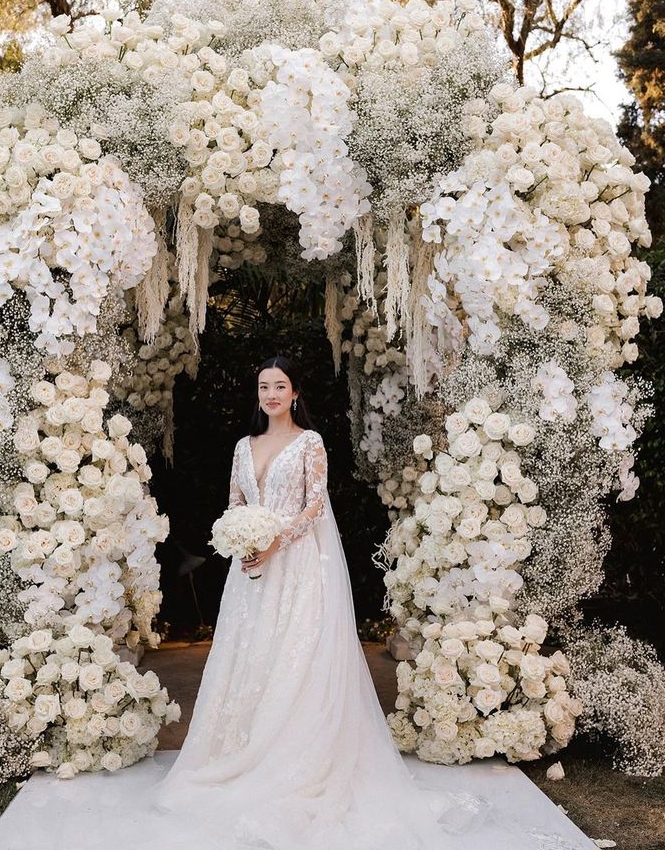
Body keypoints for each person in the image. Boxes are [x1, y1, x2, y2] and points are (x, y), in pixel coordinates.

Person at [151, 357, 537, 850]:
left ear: (295, 393)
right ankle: (239, 751)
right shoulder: (243, 446)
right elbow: (235, 499)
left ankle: (295, 761)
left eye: (281, 386)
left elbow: (315, 505)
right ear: (259, 394)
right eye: (264, 386)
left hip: (296, 565)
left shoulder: (309, 443)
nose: (271, 394)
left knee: (297, 656)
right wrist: (239, 534)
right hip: (249, 572)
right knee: (251, 656)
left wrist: (273, 540)